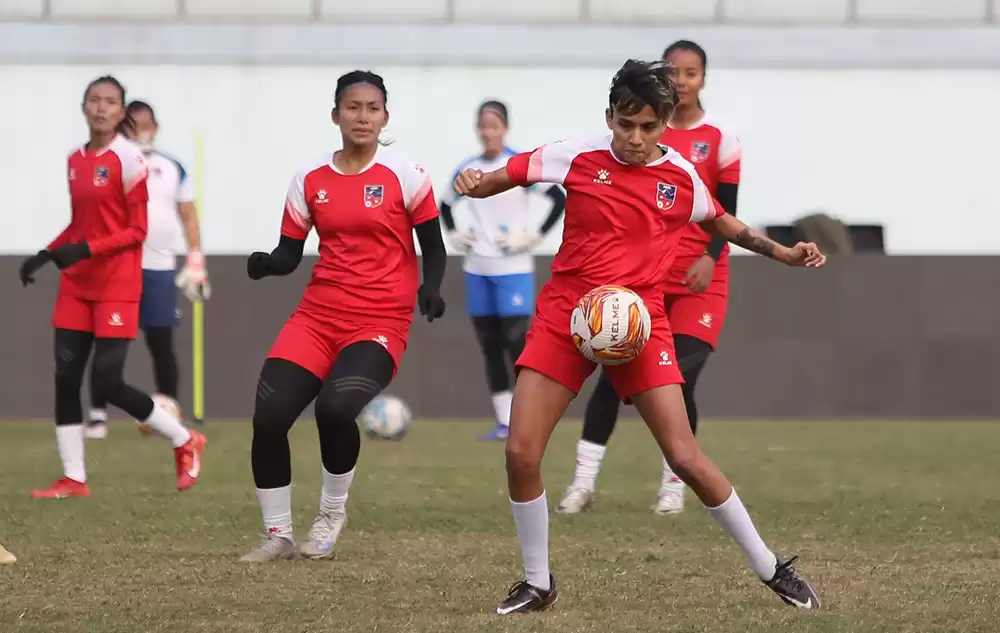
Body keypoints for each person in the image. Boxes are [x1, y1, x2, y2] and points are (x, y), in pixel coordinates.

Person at [452, 59, 825, 613]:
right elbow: (510, 174)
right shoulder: (576, 154)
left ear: (665, 125)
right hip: (567, 315)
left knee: (685, 456)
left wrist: (782, 253)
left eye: (648, 127)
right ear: (610, 117)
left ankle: (771, 567)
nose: (634, 137)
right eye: (625, 124)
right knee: (521, 451)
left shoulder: (680, 177)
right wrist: (475, 184)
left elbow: (721, 220)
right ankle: (537, 583)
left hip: (639, 323)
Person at [240, 70, 447, 562]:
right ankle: (278, 535)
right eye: (353, 108)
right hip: (317, 317)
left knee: (334, 409)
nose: (362, 117)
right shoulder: (310, 178)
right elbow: (291, 253)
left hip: (379, 322)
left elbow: (433, 246)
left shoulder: (406, 175)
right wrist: (266, 265)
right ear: (336, 115)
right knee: (269, 419)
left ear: (385, 117)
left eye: (372, 108)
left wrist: (431, 288)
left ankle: (331, 514)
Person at [559, 40, 741, 516]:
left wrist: (711, 255)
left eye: (692, 72)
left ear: (704, 78)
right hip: (643, 282)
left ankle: (673, 485)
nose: (683, 81)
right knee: (609, 364)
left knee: (679, 379)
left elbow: (725, 214)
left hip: (702, 281)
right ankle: (582, 483)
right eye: (675, 72)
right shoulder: (635, 133)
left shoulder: (721, 140)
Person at [19, 76, 206, 499]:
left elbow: (135, 231)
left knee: (107, 381)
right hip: (76, 286)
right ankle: (74, 478)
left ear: (122, 113)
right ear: (84, 107)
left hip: (116, 285)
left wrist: (82, 249)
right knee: (66, 378)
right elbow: (79, 225)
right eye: (94, 101)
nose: (101, 108)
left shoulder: (129, 161)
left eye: (110, 102)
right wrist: (46, 254)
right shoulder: (75, 160)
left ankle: (183, 439)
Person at [439, 100, 566, 441]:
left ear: (505, 128)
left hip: (513, 267)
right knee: (490, 345)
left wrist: (535, 235)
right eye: (483, 126)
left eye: (494, 126)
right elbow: (446, 204)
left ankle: (528, 417)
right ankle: (504, 421)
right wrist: (454, 234)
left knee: (516, 343)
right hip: (477, 267)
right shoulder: (469, 168)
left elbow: (559, 198)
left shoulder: (519, 166)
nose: (488, 132)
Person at [85, 99, 210, 440]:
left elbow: (187, 214)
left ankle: (169, 412)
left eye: (145, 124)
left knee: (161, 343)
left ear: (155, 127)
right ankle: (97, 415)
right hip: (118, 266)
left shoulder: (172, 167)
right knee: (109, 341)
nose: (140, 130)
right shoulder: (113, 163)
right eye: (132, 124)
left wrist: (196, 260)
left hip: (159, 268)